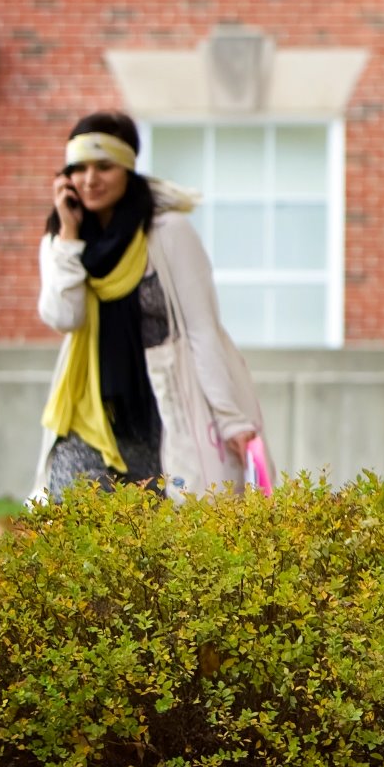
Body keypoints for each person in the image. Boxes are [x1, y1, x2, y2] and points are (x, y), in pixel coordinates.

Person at [35, 111, 269, 500]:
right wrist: (69, 236)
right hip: (87, 414)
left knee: (153, 540)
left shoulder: (167, 233)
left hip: (162, 414)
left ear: (128, 168)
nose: (90, 180)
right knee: (75, 518)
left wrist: (231, 419)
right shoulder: (64, 238)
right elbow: (64, 316)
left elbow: (202, 330)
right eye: (79, 169)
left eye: (104, 167)